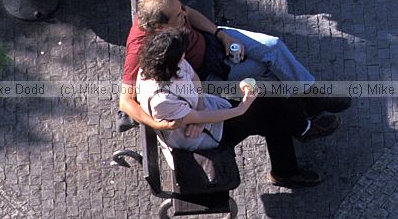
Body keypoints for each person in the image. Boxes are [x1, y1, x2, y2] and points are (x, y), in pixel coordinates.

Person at [119, 0, 351, 134]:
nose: (184, 15)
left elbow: (192, 15)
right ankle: (303, 118)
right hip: (208, 75)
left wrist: (222, 35)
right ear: (159, 27)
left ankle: (310, 95)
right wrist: (156, 124)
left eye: (181, 10)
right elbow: (125, 101)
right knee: (268, 76)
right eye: (178, 17)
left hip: (213, 42)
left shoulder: (170, 8)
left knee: (273, 47)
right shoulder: (139, 47)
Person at [137, 27, 338, 187]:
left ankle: (292, 151)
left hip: (207, 114)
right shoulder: (162, 99)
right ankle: (297, 140)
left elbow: (193, 78)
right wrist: (241, 108)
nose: (184, 57)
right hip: (204, 138)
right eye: (182, 55)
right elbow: (194, 119)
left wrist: (201, 108)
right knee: (269, 110)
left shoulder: (161, 66)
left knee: (271, 110)